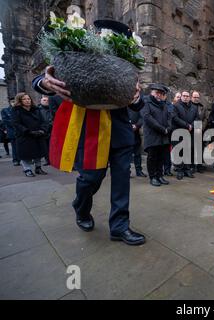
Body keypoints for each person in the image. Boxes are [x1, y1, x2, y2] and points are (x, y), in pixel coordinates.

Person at [31, 20, 146, 246]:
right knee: (91, 179)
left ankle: (120, 226)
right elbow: (48, 76)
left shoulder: (125, 64)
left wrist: (136, 97)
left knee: (122, 180)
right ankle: (81, 207)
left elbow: (136, 105)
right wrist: (44, 82)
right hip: (89, 129)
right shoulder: (81, 51)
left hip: (120, 131)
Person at [11, 92, 49, 177]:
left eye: (28, 99)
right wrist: (27, 131)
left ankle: (38, 168)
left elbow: (43, 121)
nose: (27, 101)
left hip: (38, 134)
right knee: (25, 154)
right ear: (20, 101)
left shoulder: (36, 109)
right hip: (25, 136)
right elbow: (16, 123)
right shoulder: (16, 110)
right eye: (24, 99)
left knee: (38, 152)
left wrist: (42, 130)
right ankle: (27, 169)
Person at [141, 84, 171, 187]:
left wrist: (168, 128)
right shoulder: (146, 103)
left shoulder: (164, 104)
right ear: (152, 92)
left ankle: (159, 175)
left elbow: (169, 118)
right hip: (152, 135)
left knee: (161, 157)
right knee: (152, 157)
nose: (159, 95)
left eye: (161, 93)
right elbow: (148, 118)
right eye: (157, 93)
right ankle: (153, 177)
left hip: (163, 136)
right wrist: (163, 129)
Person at [172, 90, 200, 180]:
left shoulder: (194, 107)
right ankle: (180, 171)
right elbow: (175, 118)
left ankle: (187, 170)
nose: (185, 97)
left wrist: (191, 125)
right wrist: (186, 125)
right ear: (181, 96)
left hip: (190, 132)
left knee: (188, 151)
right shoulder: (176, 106)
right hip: (179, 132)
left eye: (187, 96)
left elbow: (197, 118)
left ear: (189, 97)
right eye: (184, 95)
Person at [128, 106, 147, 177]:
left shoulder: (137, 106)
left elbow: (141, 118)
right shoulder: (124, 107)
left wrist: (136, 125)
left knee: (137, 153)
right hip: (125, 133)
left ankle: (139, 171)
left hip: (136, 133)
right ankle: (127, 171)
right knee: (127, 154)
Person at [1, 97, 20, 166]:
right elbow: (5, 121)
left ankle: (23, 159)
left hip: (20, 131)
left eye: (15, 101)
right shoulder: (5, 110)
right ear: (10, 102)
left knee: (22, 146)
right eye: (12, 101)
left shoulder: (19, 110)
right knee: (14, 146)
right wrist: (16, 123)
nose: (14, 103)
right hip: (12, 131)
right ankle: (15, 160)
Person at [191, 90, 205, 173]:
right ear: (191, 97)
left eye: (197, 97)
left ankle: (199, 166)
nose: (196, 99)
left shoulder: (202, 107)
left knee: (200, 149)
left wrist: (201, 127)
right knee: (192, 149)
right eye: (194, 97)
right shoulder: (188, 106)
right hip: (191, 130)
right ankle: (192, 166)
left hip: (200, 131)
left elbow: (205, 118)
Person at [162, 86, 174, 176]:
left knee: (167, 152)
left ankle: (167, 169)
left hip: (168, 132)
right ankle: (158, 171)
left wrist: (168, 128)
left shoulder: (169, 105)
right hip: (158, 131)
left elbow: (171, 117)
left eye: (164, 94)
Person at [38, 95, 53, 166]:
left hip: (52, 130)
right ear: (40, 101)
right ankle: (48, 160)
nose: (46, 101)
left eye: (47, 100)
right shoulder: (38, 110)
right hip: (43, 131)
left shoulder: (52, 108)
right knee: (45, 147)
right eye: (44, 100)